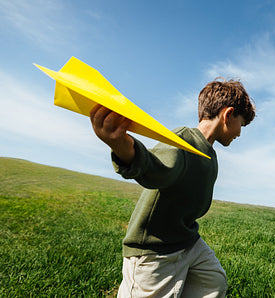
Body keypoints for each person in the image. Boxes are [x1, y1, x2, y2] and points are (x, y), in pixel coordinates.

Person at [89, 78, 256, 297]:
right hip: (154, 249)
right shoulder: (183, 140)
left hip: (186, 239)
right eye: (241, 124)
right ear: (228, 115)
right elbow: (155, 167)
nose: (239, 133)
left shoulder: (209, 154)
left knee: (213, 281)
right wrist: (121, 145)